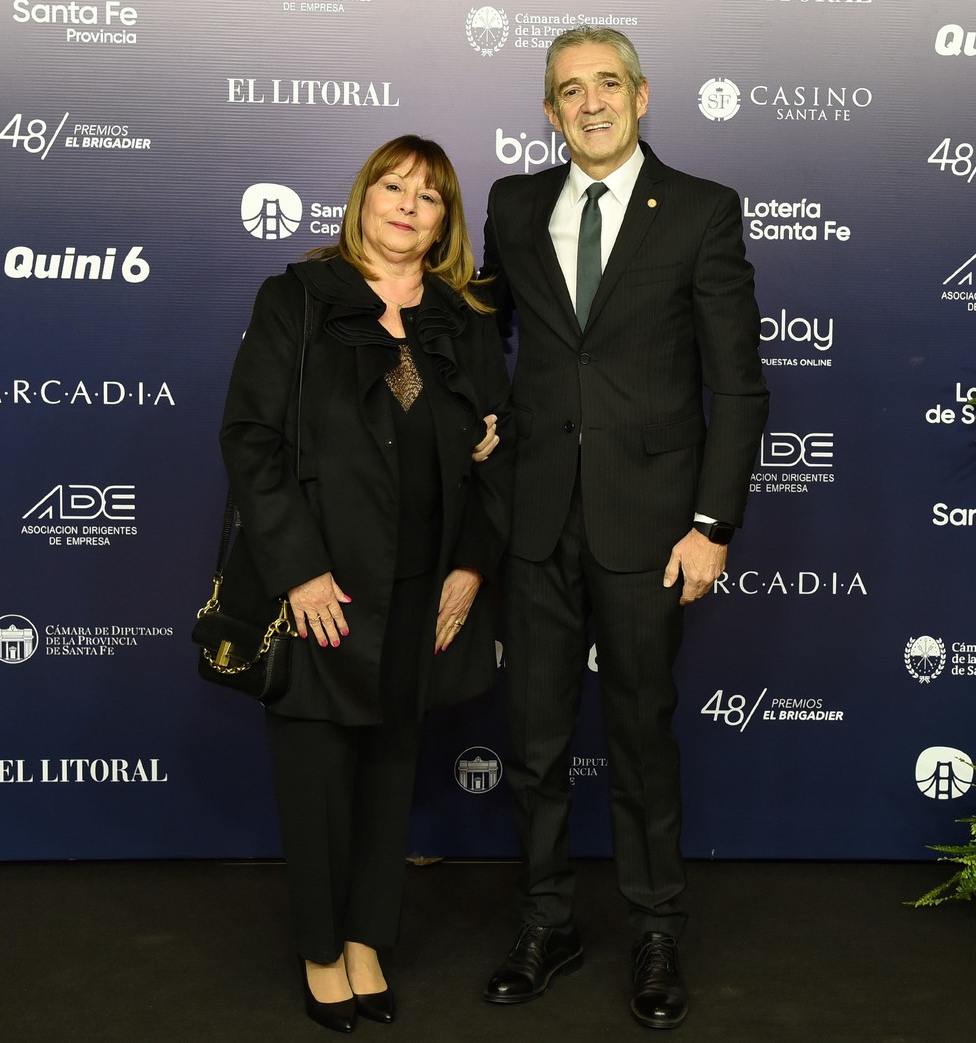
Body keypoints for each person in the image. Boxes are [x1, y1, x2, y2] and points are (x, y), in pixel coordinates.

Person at [479, 27, 769, 1030]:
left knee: (641, 734)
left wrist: (711, 523)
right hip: (534, 519)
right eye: (569, 90)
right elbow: (485, 335)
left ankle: (653, 928)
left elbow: (734, 384)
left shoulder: (698, 210)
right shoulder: (513, 205)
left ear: (640, 98)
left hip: (652, 526)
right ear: (548, 111)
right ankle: (546, 919)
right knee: (532, 738)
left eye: (607, 84)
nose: (590, 103)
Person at [220, 134, 511, 1034]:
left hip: (424, 587)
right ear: (362, 197)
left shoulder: (463, 322)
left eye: (428, 197)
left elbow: (494, 455)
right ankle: (319, 949)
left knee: (391, 775)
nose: (406, 205)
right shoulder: (298, 300)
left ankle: (367, 942)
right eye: (393, 186)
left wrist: (469, 564)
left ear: (443, 223)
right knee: (315, 780)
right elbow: (251, 441)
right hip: (322, 587)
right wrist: (298, 568)